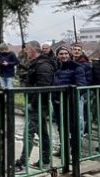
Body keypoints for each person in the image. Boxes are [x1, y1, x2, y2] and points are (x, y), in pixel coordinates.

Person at [14, 40, 56, 172]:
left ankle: (21, 162)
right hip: (35, 103)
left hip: (38, 105)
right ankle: (45, 160)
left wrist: (33, 103)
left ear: (32, 50)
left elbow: (43, 86)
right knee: (42, 133)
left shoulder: (43, 65)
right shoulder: (36, 64)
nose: (25, 52)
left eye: (27, 49)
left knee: (29, 133)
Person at [52, 46, 86, 136]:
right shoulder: (56, 68)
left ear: (69, 55)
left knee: (73, 125)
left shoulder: (76, 67)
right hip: (58, 101)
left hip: (71, 101)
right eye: (61, 54)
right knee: (61, 125)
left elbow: (81, 85)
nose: (64, 56)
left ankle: (75, 147)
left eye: (66, 53)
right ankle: (63, 146)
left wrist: (70, 96)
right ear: (57, 56)